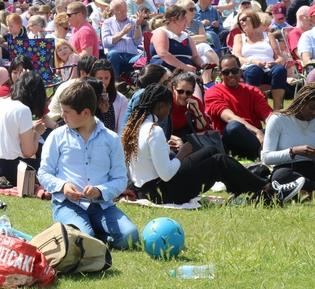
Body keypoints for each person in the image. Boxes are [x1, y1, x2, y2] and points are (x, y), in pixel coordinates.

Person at [122, 84, 304, 204]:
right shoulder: (153, 130)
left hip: (147, 188)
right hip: (162, 191)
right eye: (168, 108)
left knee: (209, 151)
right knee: (218, 162)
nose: (169, 112)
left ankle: (251, 189)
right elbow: (167, 174)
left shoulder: (134, 127)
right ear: (160, 106)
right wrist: (182, 153)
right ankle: (268, 191)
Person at [39, 80, 139, 249]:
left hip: (102, 206)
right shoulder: (57, 136)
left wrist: (100, 191)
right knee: (84, 237)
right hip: (68, 204)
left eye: (67, 112)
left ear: (85, 113)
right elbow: (44, 173)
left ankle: (89, 237)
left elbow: (121, 179)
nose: (62, 116)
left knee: (129, 237)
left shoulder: (111, 139)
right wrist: (63, 186)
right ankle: (86, 235)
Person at [0, 71, 46, 186]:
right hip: (11, 171)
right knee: (51, 165)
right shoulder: (23, 110)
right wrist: (36, 133)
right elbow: (28, 152)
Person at [205, 55, 273, 161]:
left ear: (241, 72)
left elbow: (266, 113)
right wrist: (257, 132)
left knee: (277, 124)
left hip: (256, 135)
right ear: (221, 75)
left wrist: (275, 125)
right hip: (233, 138)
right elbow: (229, 118)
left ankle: (266, 150)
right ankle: (268, 152)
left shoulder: (252, 91)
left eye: (234, 70)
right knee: (234, 127)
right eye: (226, 72)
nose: (231, 75)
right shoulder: (212, 93)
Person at [262, 85, 315, 195]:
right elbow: (266, 157)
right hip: (287, 169)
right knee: (280, 176)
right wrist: (293, 151)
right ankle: (305, 188)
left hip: (311, 167)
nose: (314, 113)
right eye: (312, 107)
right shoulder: (279, 119)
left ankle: (304, 189)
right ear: (303, 101)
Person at [232, 9, 287, 110]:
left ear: (253, 19)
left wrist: (275, 63)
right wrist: (254, 62)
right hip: (249, 69)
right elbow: (238, 58)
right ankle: (257, 107)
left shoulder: (268, 35)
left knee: (280, 70)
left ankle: (277, 110)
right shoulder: (239, 37)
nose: (241, 22)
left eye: (244, 19)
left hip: (269, 70)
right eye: (239, 21)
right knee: (255, 70)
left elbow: (280, 58)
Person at [150, 5, 204, 72]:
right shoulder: (161, 32)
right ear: (174, 20)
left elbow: (195, 56)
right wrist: (184, 67)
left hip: (186, 72)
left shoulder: (186, 36)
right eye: (184, 18)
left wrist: (203, 64)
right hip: (164, 70)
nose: (186, 21)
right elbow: (163, 53)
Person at [102, 0, 146, 79]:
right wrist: (122, 33)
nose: (124, 13)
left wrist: (137, 26)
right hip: (117, 55)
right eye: (120, 11)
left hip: (132, 55)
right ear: (113, 11)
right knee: (112, 54)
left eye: (125, 10)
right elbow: (105, 42)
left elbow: (137, 42)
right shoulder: (107, 23)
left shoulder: (133, 21)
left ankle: (140, 83)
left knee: (147, 55)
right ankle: (116, 83)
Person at [169, 70, 209, 142]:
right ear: (174, 89)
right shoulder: (168, 102)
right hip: (171, 139)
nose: (184, 95)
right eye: (180, 91)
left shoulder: (195, 102)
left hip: (187, 137)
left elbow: (204, 130)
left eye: (188, 92)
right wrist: (176, 139)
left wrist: (197, 111)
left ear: (193, 91)